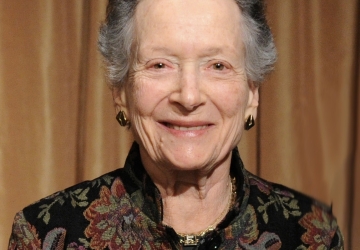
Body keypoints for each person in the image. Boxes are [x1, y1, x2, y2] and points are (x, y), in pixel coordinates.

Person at [8, 0, 344, 249]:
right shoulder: (47, 234)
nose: (189, 95)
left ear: (252, 92)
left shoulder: (310, 233)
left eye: (217, 65)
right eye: (159, 65)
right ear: (121, 91)